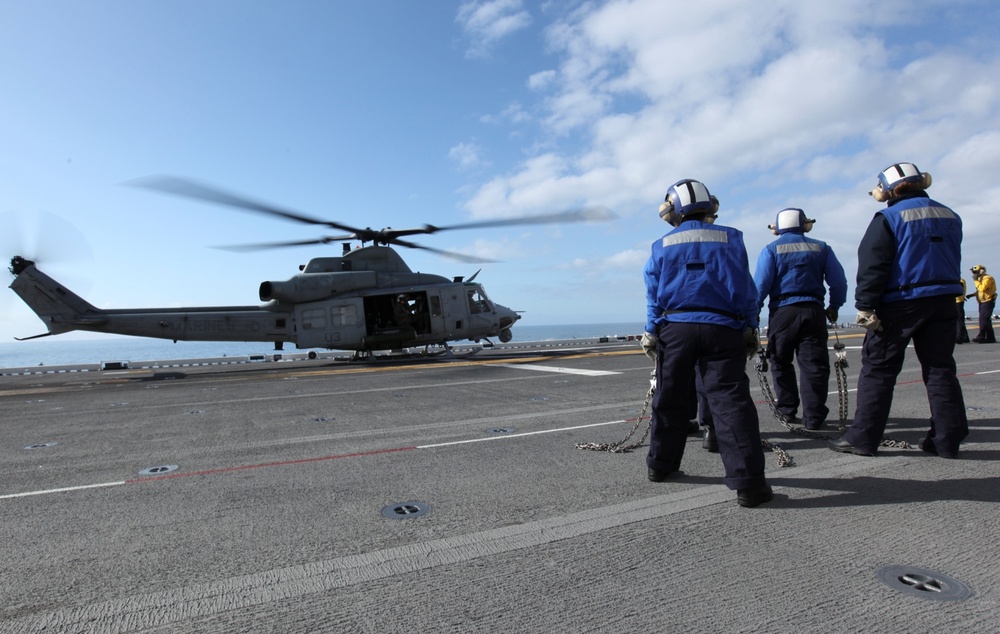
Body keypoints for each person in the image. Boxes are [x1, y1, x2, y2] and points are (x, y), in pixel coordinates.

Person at [641, 178, 771, 508]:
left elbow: (653, 295)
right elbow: (746, 289)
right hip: (723, 329)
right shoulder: (732, 238)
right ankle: (749, 485)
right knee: (731, 403)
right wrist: (750, 326)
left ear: (675, 210)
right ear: (708, 206)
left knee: (669, 399)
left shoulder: (662, 245)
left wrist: (651, 330)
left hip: (676, 330)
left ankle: (661, 466)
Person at [829, 162, 968, 459]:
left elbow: (873, 264)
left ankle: (863, 438)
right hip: (944, 301)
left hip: (900, 303)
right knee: (941, 370)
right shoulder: (950, 215)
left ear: (888, 189)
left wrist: (865, 305)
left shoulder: (888, 217)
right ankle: (947, 439)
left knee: (879, 370)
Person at [754, 208, 848, 430]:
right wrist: (834, 306)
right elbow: (839, 282)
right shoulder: (821, 248)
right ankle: (814, 417)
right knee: (814, 365)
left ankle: (787, 410)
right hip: (814, 311)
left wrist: (753, 313)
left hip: (782, 313)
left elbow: (760, 286)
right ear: (804, 224)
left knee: (780, 361)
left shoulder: (771, 250)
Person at [968, 265, 997, 343]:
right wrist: (972, 295)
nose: (974, 274)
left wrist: (975, 281)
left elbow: (982, 288)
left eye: (975, 272)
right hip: (982, 301)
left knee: (983, 319)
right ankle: (990, 338)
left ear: (981, 271)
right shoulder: (980, 279)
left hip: (988, 301)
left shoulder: (987, 278)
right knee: (986, 320)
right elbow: (980, 291)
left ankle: (981, 336)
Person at [956, 279, 971, 344]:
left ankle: (960, 337)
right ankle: (965, 337)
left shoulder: (959, 280)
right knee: (959, 320)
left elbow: (959, 290)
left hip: (958, 301)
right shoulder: (959, 280)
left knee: (959, 320)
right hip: (956, 301)